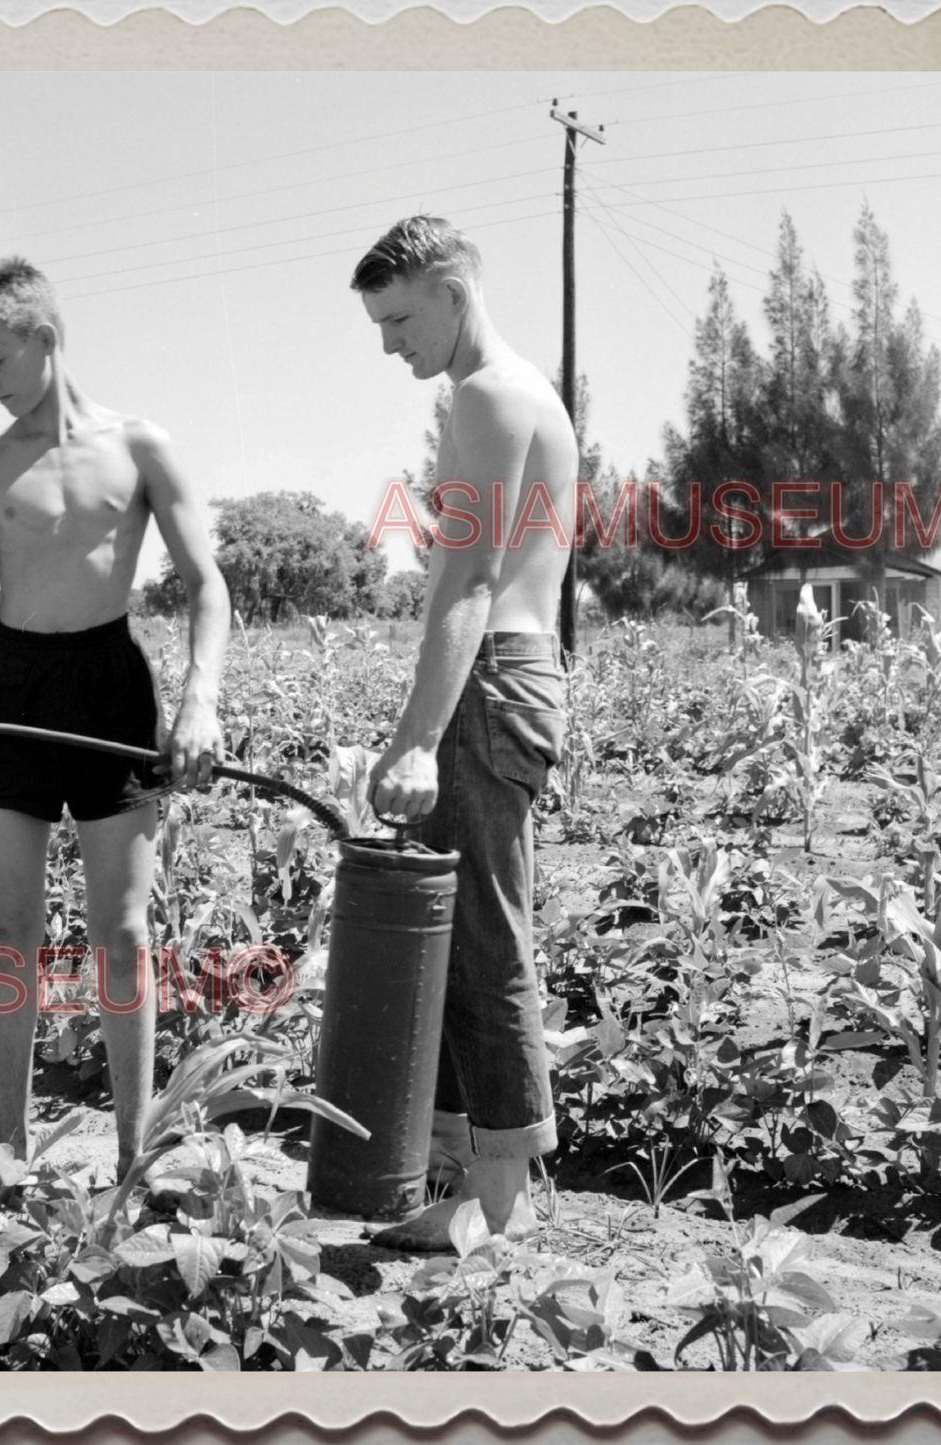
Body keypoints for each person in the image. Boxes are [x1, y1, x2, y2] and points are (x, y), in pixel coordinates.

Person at [0, 257, 229, 1180]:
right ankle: (7, 1151)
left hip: (112, 688)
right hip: (9, 697)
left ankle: (134, 1156)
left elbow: (206, 585)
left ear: (44, 337)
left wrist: (201, 701)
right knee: (10, 928)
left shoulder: (140, 446)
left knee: (125, 930)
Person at [350, 217, 575, 1248]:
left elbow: (470, 580)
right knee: (464, 931)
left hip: (490, 680)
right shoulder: (523, 391)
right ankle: (465, 1187)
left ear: (450, 288)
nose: (388, 345)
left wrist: (409, 740)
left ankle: (496, 1205)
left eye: (398, 318)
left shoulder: (486, 395)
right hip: (513, 676)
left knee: (482, 938)